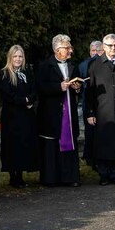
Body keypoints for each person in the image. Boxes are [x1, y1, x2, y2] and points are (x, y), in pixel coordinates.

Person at [85, 33, 115, 185]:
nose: (113, 48)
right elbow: (90, 91)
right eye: (110, 45)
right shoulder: (95, 65)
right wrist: (90, 112)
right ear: (104, 47)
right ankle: (103, 174)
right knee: (103, 144)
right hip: (102, 111)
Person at [35, 35, 82, 187]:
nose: (70, 51)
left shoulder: (73, 66)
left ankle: (69, 177)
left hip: (68, 113)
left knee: (69, 143)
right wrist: (58, 87)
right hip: (51, 113)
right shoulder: (44, 66)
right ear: (57, 49)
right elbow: (40, 88)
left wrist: (77, 87)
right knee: (51, 146)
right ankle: (50, 178)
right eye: (67, 48)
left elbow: (78, 85)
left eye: (70, 47)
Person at [0, 45, 38, 188]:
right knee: (13, 145)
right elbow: (8, 95)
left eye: (20, 56)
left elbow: (34, 89)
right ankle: (13, 176)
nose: (18, 59)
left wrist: (30, 100)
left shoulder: (27, 72)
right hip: (12, 116)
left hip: (26, 115)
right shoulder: (3, 74)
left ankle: (21, 174)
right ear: (10, 58)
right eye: (15, 56)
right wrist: (24, 101)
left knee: (24, 143)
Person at [78, 40, 103, 165]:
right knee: (89, 132)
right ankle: (89, 157)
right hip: (87, 102)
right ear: (90, 52)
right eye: (93, 51)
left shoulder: (105, 65)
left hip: (102, 103)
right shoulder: (83, 65)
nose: (96, 54)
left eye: (99, 51)